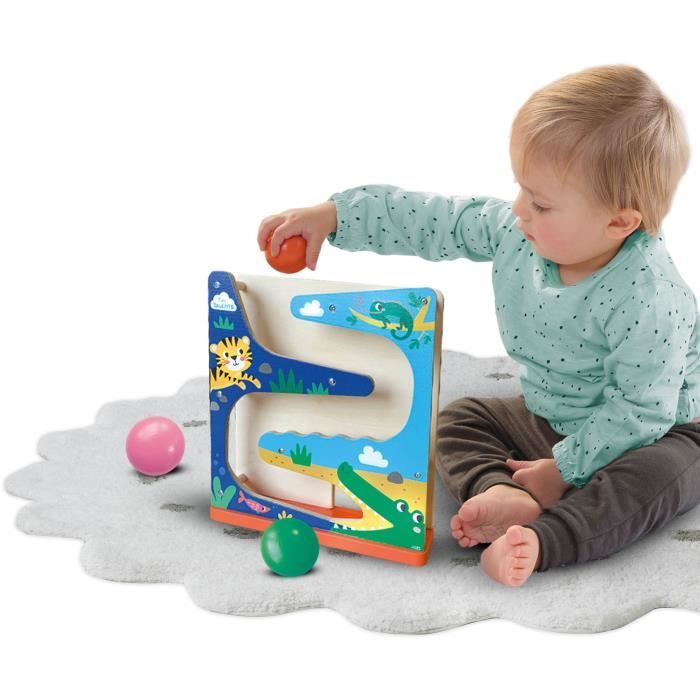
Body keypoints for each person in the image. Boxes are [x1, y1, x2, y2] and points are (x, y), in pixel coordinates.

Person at [257, 64, 700, 587]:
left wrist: (564, 470)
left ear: (619, 223)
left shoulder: (649, 295)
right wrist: (335, 216)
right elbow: (434, 220)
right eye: (521, 190)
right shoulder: (519, 232)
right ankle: (504, 492)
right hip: (555, 415)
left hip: (659, 428)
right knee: (458, 419)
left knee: (658, 478)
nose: (519, 210)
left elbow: (643, 410)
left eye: (541, 203)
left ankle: (547, 539)